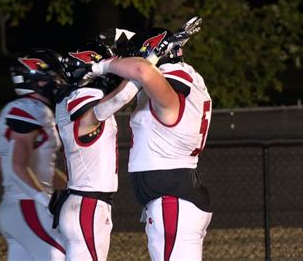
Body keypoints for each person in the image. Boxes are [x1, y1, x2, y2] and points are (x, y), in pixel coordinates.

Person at [89, 26, 213, 260]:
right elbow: (147, 58)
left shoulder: (170, 85)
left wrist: (100, 66)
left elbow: (143, 70)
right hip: (176, 195)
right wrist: (118, 35)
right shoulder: (185, 77)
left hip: (174, 200)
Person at [52, 40, 141, 261]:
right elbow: (122, 96)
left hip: (86, 202)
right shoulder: (79, 100)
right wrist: (149, 64)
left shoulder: (71, 100)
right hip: (88, 204)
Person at [0, 48, 68, 260]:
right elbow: (19, 165)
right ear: (40, 81)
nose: (60, 82)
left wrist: (73, 190)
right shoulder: (29, 108)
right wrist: (45, 200)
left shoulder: (34, 110)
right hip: (27, 205)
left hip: (18, 206)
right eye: (55, 76)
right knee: (66, 255)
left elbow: (46, 168)